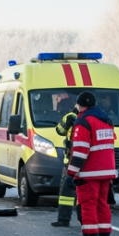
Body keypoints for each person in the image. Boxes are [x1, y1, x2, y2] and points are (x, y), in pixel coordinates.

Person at [65, 91, 117, 236]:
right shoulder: (106, 120)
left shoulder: (83, 122)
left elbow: (80, 152)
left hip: (89, 173)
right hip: (107, 171)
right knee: (102, 206)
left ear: (79, 106)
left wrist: (71, 173)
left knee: (88, 207)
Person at [51, 97, 81, 227]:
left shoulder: (88, 118)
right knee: (65, 193)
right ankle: (63, 219)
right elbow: (59, 130)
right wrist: (66, 122)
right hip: (69, 160)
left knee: (82, 192)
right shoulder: (70, 116)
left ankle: (84, 219)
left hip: (81, 161)